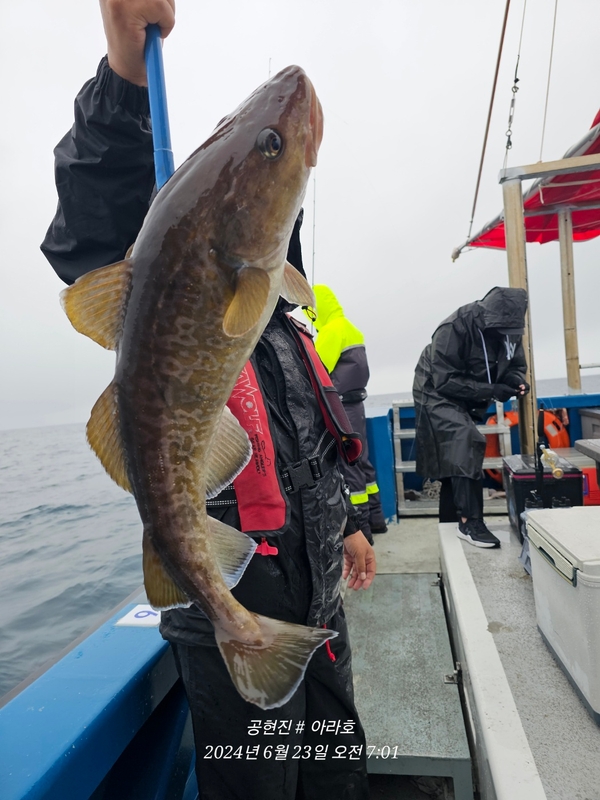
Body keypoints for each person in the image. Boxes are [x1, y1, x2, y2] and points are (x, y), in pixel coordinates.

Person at [40, 2, 375, 798]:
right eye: (260, 147)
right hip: (236, 610)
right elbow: (95, 223)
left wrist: (357, 525)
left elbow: (327, 441)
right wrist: (125, 74)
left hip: (318, 603)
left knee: (336, 778)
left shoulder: (289, 316)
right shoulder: (177, 278)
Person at [412, 286, 529, 549]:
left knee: (454, 461)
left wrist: (515, 382)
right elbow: (444, 381)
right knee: (464, 438)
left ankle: (451, 526)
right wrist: (492, 390)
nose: (505, 337)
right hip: (434, 388)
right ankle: (469, 522)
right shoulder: (453, 327)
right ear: (488, 319)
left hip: (470, 391)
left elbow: (515, 366)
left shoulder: (509, 331)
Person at [306, 285, 388, 544]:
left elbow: (318, 370)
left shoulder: (331, 332)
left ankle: (362, 531)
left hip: (340, 409)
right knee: (363, 463)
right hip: (356, 405)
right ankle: (377, 519)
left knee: (348, 465)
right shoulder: (352, 328)